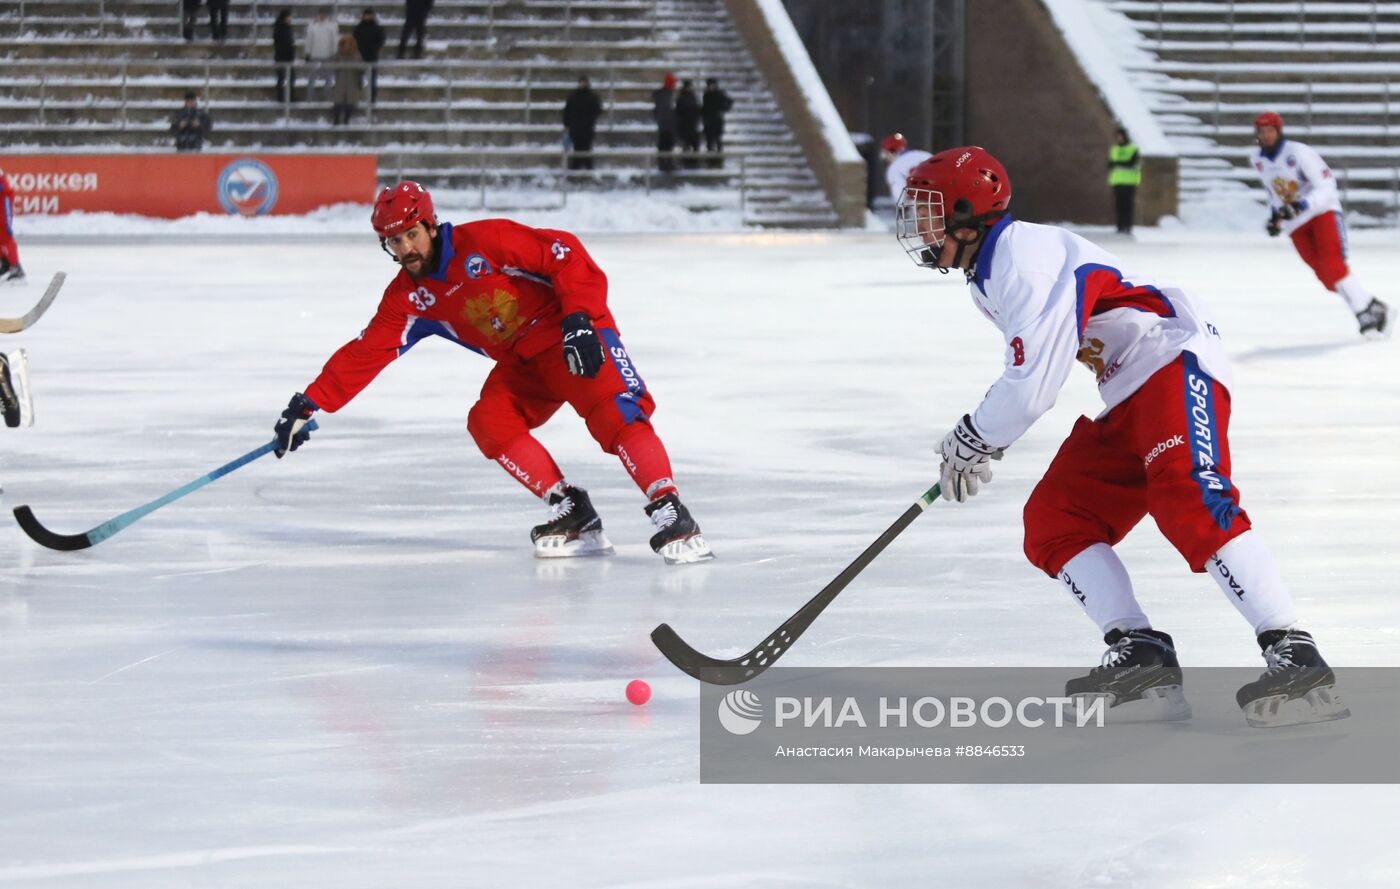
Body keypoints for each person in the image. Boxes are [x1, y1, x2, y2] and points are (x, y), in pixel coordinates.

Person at [894, 146, 1348, 728]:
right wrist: (981, 434)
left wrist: (978, 434)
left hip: (1173, 359)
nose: (919, 227)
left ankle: (1297, 655)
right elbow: (1034, 369)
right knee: (1057, 518)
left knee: (1188, 495)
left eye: (930, 212)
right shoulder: (988, 277)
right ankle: (1142, 657)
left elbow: (1034, 382)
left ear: (969, 211)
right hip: (1129, 387)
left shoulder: (1023, 257)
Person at [270, 182, 713, 565]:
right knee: (489, 421)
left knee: (616, 416)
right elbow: (367, 351)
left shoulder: (487, 240)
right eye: (393, 242)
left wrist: (580, 318)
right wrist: (309, 403)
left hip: (571, 335)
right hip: (523, 362)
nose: (405, 249)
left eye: (409, 235)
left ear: (429, 225)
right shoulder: (409, 298)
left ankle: (670, 508)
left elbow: (566, 255)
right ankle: (572, 509)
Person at [1252, 111, 1389, 336]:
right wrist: (1275, 216)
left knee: (1333, 265)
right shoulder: (1258, 160)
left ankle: (1363, 312)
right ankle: (1373, 305)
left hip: (1321, 212)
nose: (1266, 136)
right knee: (1326, 278)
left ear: (1279, 131)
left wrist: (1303, 204)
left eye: (1270, 130)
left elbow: (1326, 186)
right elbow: (1274, 193)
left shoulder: (1298, 152)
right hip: (1295, 224)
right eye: (1262, 131)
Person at [562, 75, 603, 171]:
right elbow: (567, 111)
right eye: (581, 82)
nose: (582, 84)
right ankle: (576, 168)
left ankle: (587, 167)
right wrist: (566, 124)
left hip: (587, 128)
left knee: (587, 148)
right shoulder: (573, 96)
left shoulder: (592, 96)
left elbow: (597, 110)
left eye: (584, 82)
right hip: (576, 128)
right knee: (577, 148)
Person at [880, 132, 931, 203]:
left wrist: (902, 206)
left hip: (917, 204)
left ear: (892, 151)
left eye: (886, 153)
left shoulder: (894, 167)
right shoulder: (925, 155)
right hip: (940, 198)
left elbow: (899, 196)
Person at [1107, 127, 1140, 235]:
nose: (1119, 139)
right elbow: (1110, 164)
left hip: (1129, 182)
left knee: (1128, 206)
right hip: (1117, 181)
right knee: (1119, 206)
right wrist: (1121, 164)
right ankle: (1120, 226)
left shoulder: (1132, 148)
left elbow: (1132, 163)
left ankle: (1128, 226)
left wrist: (1118, 164)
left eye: (1120, 136)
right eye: (1117, 137)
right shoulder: (1114, 149)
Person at [352, 8, 385, 104]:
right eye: (366, 15)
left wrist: (374, 49)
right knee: (357, 79)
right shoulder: (359, 28)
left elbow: (381, 40)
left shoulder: (377, 28)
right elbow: (354, 40)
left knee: (372, 79)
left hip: (372, 56)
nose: (368, 17)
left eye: (370, 15)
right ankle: (356, 97)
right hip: (360, 57)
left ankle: (372, 98)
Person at [305, 10, 339, 101]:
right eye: (321, 15)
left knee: (328, 77)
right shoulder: (312, 26)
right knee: (312, 77)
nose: (322, 17)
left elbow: (334, 41)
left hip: (328, 55)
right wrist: (308, 53)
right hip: (315, 55)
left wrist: (334, 53)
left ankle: (327, 96)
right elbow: (309, 41)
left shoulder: (331, 26)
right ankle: (310, 96)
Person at [701, 77, 733, 169]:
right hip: (708, 121)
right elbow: (705, 107)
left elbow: (729, 102)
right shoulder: (706, 95)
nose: (711, 87)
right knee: (709, 141)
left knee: (718, 140)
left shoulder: (719, 94)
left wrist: (723, 109)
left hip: (717, 120)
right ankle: (711, 160)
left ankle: (719, 160)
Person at [330, 34, 362, 125]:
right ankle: (336, 119)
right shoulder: (338, 55)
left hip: (352, 81)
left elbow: (360, 68)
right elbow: (333, 65)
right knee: (338, 100)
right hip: (341, 80)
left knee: (350, 101)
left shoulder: (356, 55)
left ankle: (346, 119)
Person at [0, 167, 23, 285]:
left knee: (5, 234)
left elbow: (3, 187)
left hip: (3, 201)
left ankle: (16, 269)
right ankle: (6, 263)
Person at [651, 73, 678, 174]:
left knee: (666, 145)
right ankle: (665, 164)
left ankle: (666, 163)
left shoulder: (665, 94)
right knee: (665, 145)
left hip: (665, 123)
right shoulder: (666, 95)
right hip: (667, 124)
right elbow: (664, 110)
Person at [675, 79, 702, 170]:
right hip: (684, 126)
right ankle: (686, 163)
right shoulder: (681, 98)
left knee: (695, 145)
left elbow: (697, 109)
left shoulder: (693, 97)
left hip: (693, 125)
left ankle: (694, 163)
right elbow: (679, 112)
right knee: (686, 146)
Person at [273, 9, 297, 102]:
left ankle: (287, 96)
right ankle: (283, 97)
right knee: (283, 78)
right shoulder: (280, 29)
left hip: (286, 57)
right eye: (289, 17)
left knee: (288, 78)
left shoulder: (286, 28)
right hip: (283, 57)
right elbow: (282, 43)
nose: (290, 19)